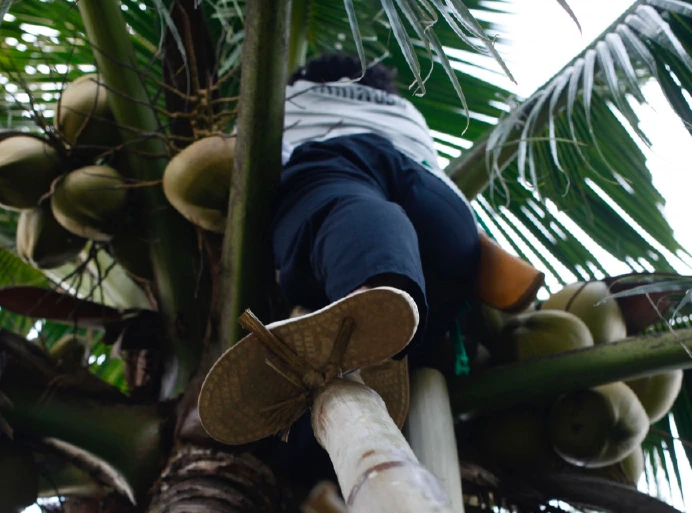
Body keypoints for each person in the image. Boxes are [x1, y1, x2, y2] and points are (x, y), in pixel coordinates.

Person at [198, 53, 538, 447]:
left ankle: (376, 297)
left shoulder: (292, 95)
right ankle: (391, 318)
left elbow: (237, 157)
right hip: (444, 213)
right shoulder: (406, 112)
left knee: (348, 206)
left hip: (337, 164)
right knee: (391, 226)